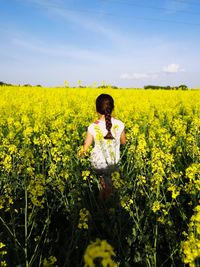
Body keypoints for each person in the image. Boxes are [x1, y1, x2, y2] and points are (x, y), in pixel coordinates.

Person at [83, 93, 126, 200]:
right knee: (109, 187)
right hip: (113, 163)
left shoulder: (93, 126)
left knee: (104, 187)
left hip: (97, 164)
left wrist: (78, 157)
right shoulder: (119, 124)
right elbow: (123, 142)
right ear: (113, 108)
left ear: (97, 110)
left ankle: (101, 203)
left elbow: (85, 147)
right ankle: (106, 205)